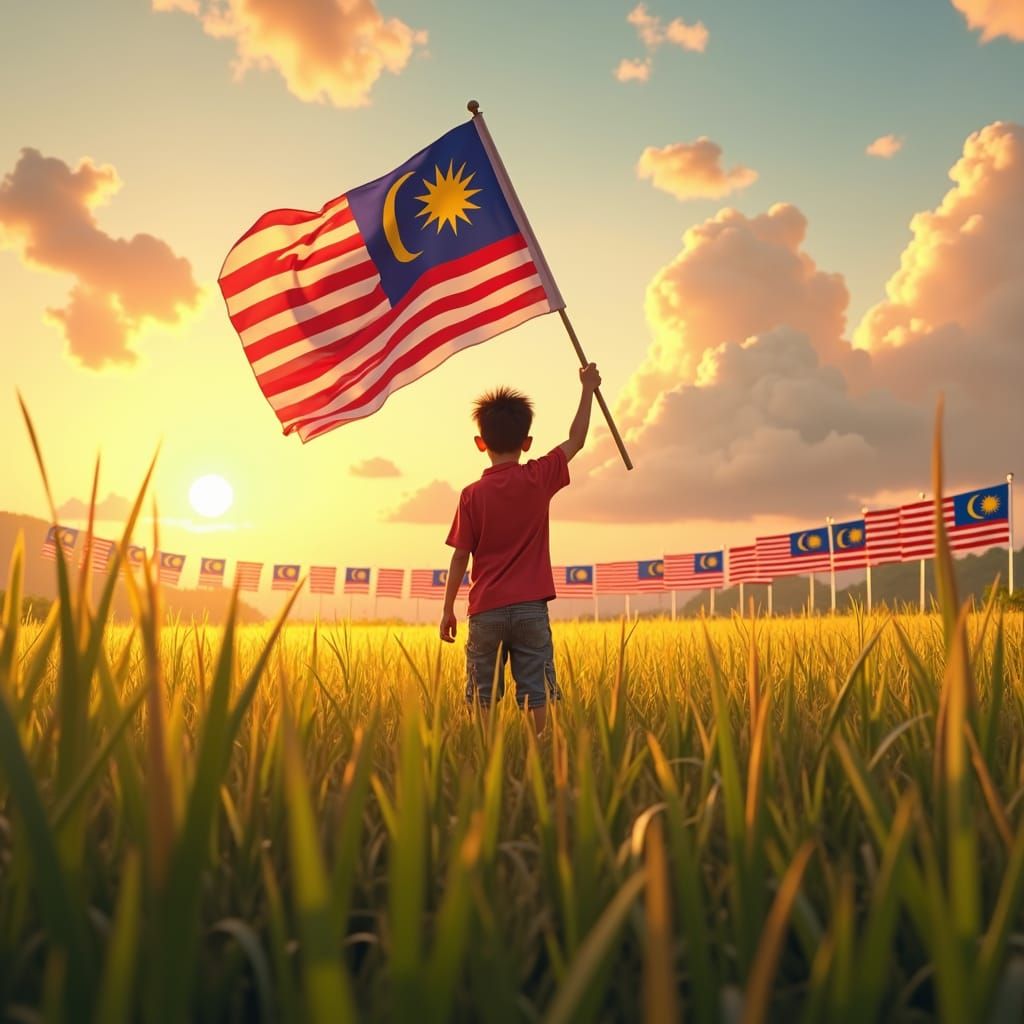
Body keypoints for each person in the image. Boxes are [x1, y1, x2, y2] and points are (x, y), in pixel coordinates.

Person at [440, 362, 602, 732]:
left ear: (481, 444)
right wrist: (588, 389)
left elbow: (460, 556)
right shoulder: (538, 477)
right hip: (531, 609)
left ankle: (484, 762)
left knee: (482, 696)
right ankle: (541, 757)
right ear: (527, 443)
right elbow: (575, 440)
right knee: (537, 694)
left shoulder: (471, 495)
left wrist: (448, 608)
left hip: (485, 612)